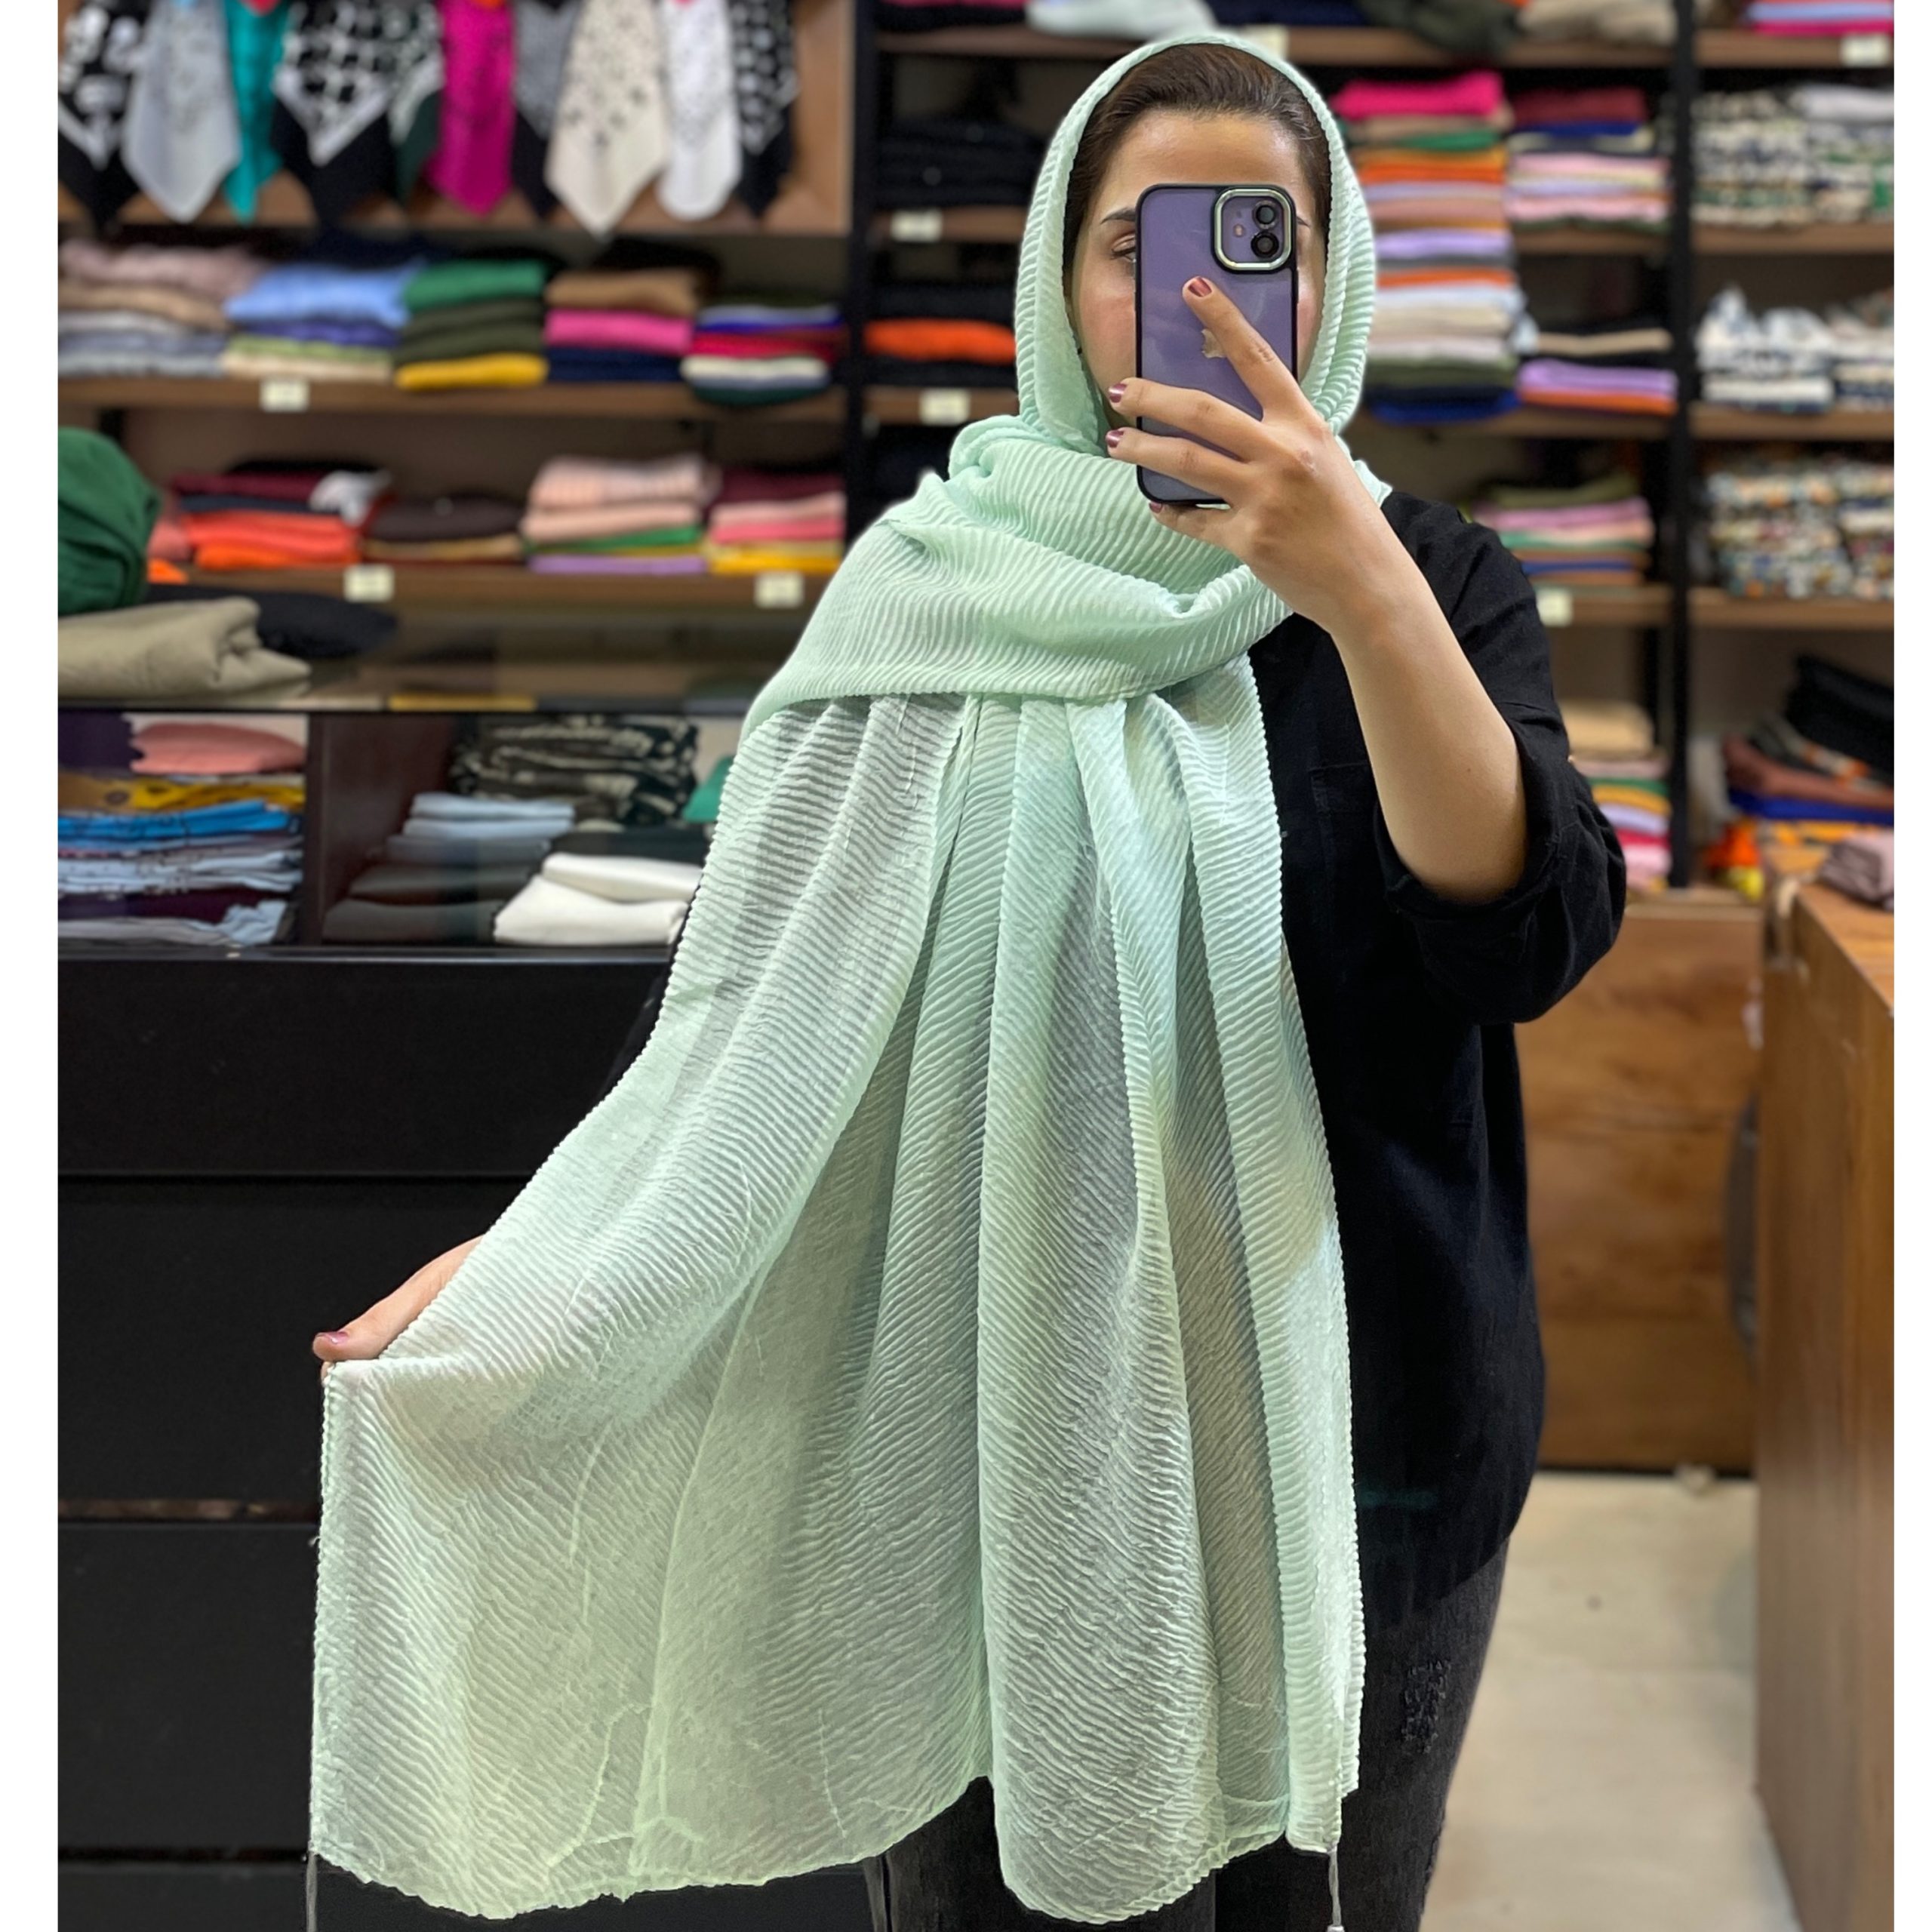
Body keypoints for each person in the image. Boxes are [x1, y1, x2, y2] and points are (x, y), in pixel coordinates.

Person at [308, 32, 1623, 1932]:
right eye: (1131, 244)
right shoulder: (923, 589)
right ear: (1051, 281)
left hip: (1367, 1442)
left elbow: (1524, 931)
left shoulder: (1433, 581)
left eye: (1252, 239)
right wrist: (549, 1258)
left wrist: (1357, 590)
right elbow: (760, 1007)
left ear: (1329, 279)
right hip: (979, 1435)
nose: (1188, 294)